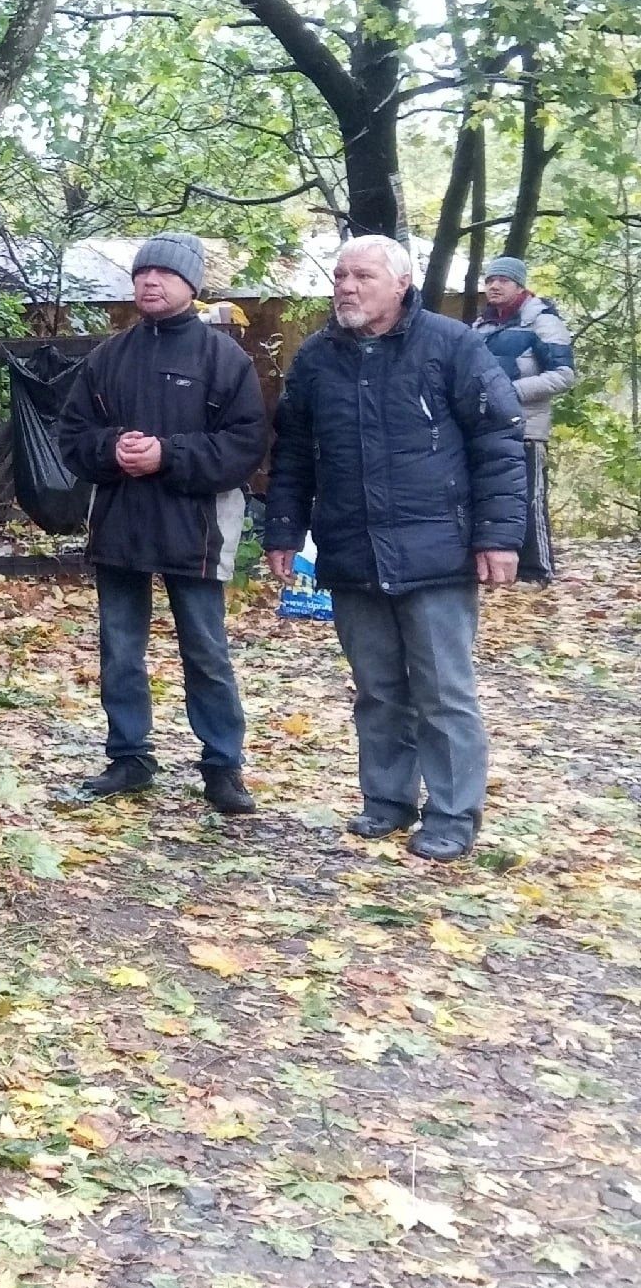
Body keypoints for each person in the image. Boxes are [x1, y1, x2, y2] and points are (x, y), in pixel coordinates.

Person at [264, 236, 527, 862]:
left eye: (363, 276)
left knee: (443, 691)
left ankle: (453, 814)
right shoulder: (316, 357)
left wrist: (498, 537)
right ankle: (386, 801)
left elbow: (498, 442)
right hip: (352, 549)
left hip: (437, 550)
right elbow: (294, 453)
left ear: (401, 283)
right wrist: (281, 529)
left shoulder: (452, 345)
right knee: (378, 689)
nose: (347, 288)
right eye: (340, 276)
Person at [54, 232, 269, 817]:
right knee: (120, 650)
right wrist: (111, 450)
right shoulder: (107, 357)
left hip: (196, 531)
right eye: (143, 273)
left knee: (206, 651)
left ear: (191, 286)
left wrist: (167, 456)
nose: (150, 282)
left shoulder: (224, 359)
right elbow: (72, 437)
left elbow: (246, 444)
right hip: (121, 526)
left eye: (165, 274)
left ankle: (223, 766)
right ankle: (129, 756)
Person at [473, 256, 575, 584]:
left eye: (503, 280)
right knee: (490, 498)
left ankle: (538, 570)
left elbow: (563, 375)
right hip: (487, 428)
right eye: (490, 280)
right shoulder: (481, 327)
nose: (494, 286)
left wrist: (508, 391)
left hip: (527, 426)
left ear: (519, 285)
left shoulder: (542, 321)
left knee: (529, 497)